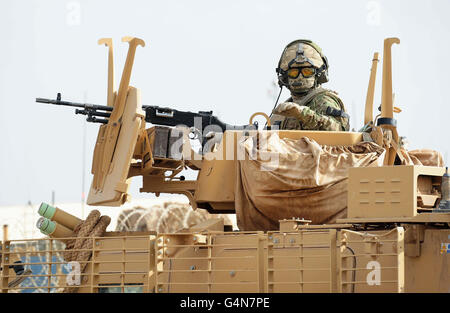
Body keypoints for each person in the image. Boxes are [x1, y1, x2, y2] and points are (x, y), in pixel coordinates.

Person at [270, 39, 350, 131]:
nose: (300, 77)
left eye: (307, 72)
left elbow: (339, 131)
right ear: (285, 77)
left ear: (318, 74)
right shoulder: (282, 111)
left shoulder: (324, 100)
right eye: (294, 72)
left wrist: (304, 114)